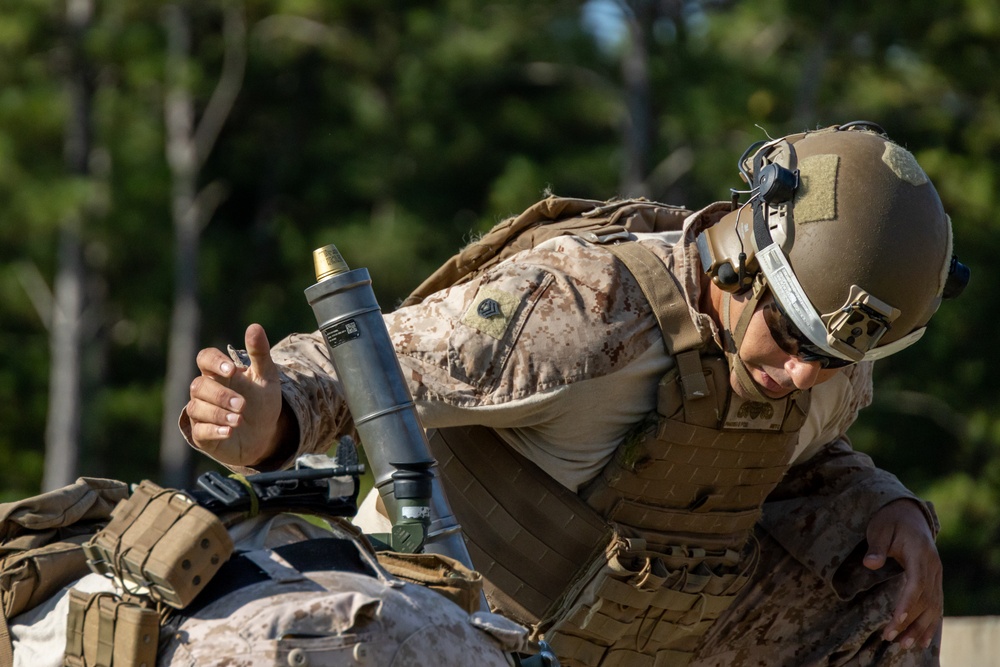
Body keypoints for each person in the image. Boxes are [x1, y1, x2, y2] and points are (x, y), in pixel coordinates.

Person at [183, 122, 966, 666]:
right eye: (792, 338)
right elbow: (364, 360)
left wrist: (889, 505)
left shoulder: (831, 355)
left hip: (632, 639)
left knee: (883, 588)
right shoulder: (587, 314)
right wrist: (270, 413)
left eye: (831, 358)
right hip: (443, 621)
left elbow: (803, 461)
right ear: (742, 256)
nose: (802, 375)